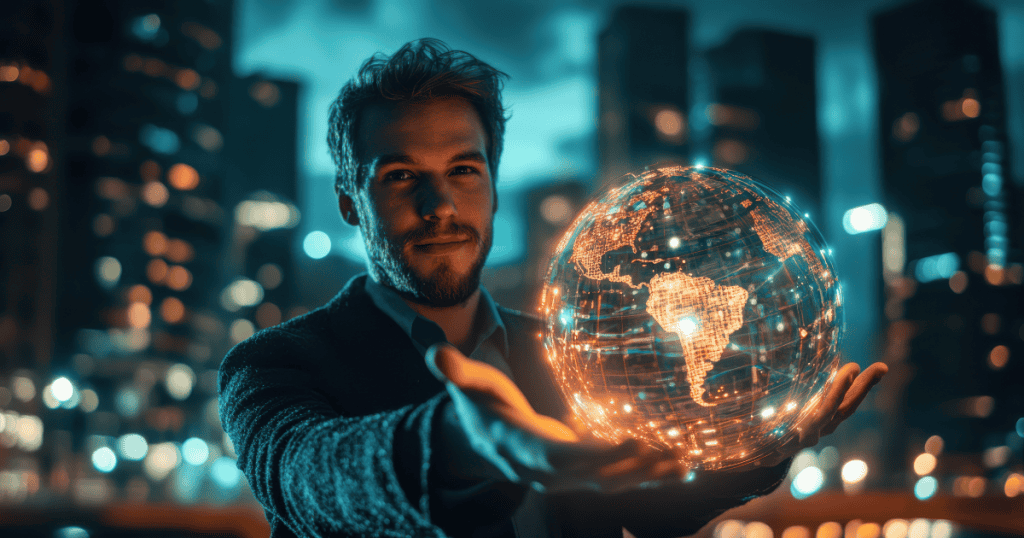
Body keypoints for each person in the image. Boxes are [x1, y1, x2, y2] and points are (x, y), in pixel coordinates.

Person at [218, 38, 887, 538]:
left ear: (493, 185)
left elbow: (654, 508)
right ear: (347, 202)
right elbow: (308, 475)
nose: (439, 205)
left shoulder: (573, 354)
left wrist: (766, 455)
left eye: (463, 170)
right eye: (400, 176)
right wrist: (456, 444)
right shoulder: (274, 365)